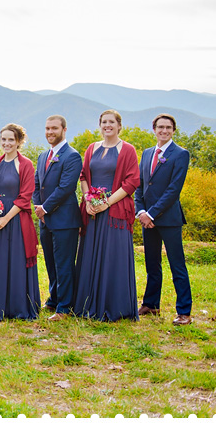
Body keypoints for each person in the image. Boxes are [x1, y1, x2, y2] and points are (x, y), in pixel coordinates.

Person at [73, 110, 140, 322]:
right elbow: (83, 176)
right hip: (92, 213)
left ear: (119, 126)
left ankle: (114, 307)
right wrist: (88, 200)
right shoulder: (91, 148)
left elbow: (131, 183)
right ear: (99, 125)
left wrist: (106, 203)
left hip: (115, 213)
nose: (107, 125)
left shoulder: (127, 150)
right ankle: (87, 304)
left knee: (112, 258)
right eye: (104, 122)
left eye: (111, 122)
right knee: (90, 256)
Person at [135, 113, 193, 326]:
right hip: (146, 220)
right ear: (154, 129)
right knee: (152, 264)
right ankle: (151, 304)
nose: (164, 131)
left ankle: (184, 311)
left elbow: (173, 190)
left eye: (168, 127)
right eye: (160, 127)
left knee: (177, 265)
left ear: (173, 131)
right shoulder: (147, 153)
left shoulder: (180, 154)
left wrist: (151, 213)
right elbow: (140, 185)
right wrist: (140, 212)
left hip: (168, 219)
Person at [0, 124, 41, 321]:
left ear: (19, 142)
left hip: (16, 220)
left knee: (16, 261)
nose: (6, 143)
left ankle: (17, 307)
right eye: (3, 139)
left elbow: (25, 197)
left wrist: (6, 218)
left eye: (11, 140)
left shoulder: (25, 165)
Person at [33, 115, 82, 321]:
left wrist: (45, 208)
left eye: (54, 128)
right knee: (51, 262)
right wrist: (38, 206)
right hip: (45, 218)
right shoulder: (44, 155)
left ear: (64, 129)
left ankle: (65, 307)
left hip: (64, 219)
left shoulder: (72, 156)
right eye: (47, 128)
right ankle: (53, 299)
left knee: (64, 264)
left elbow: (66, 188)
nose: (50, 132)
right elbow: (37, 184)